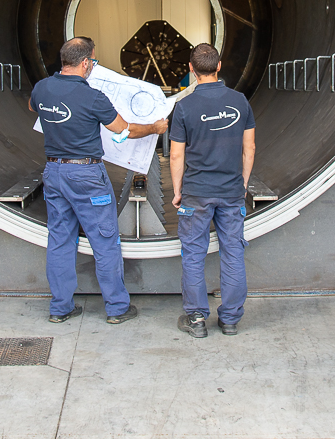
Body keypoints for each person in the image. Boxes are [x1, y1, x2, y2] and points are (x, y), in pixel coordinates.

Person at [29, 36, 168, 324]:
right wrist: (154, 127)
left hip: (54, 173)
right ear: (85, 62)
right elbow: (124, 131)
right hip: (86, 175)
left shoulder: (42, 89)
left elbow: (34, 107)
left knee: (59, 240)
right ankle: (117, 308)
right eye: (93, 61)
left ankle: (60, 308)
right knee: (104, 241)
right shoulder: (92, 96)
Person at [168, 43, 256, 337]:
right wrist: (242, 184)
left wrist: (178, 191)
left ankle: (196, 319)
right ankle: (230, 319)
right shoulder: (240, 101)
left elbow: (177, 155)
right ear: (219, 66)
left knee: (193, 253)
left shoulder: (184, 107)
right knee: (233, 253)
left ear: (191, 70)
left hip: (197, 192)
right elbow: (249, 148)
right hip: (231, 191)